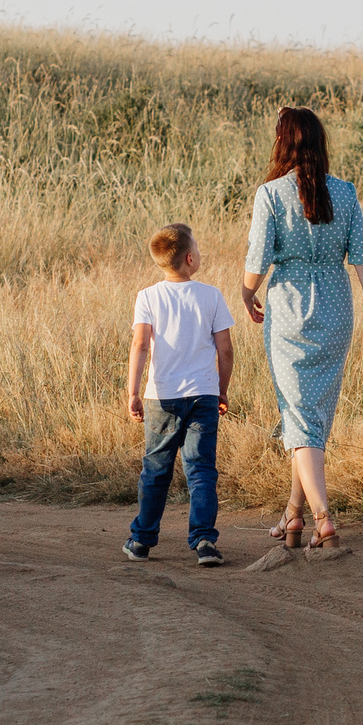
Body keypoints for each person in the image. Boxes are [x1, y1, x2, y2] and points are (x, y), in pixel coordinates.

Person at [242, 107, 363, 549]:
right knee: (310, 416)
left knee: (299, 415)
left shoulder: (269, 194)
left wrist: (246, 293)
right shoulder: (344, 193)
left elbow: (258, 258)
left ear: (282, 142)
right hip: (336, 308)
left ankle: (324, 517)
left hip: (288, 306)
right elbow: (361, 255)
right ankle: (293, 514)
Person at [122, 222, 236, 567]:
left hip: (162, 397)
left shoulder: (148, 296)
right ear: (190, 258)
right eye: (198, 248)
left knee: (156, 470)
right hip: (202, 395)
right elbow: (226, 350)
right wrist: (222, 390)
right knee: (201, 470)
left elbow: (140, 345)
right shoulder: (211, 295)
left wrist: (133, 392)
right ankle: (203, 541)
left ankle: (141, 540)